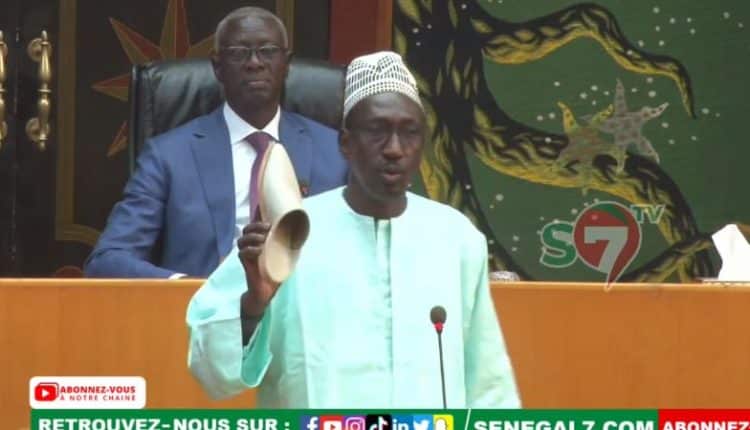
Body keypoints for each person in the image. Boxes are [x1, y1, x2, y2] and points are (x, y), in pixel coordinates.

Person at [186, 52, 520, 408]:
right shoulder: (289, 231)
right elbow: (212, 372)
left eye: (409, 133)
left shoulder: (457, 238)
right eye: (377, 131)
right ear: (346, 143)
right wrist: (254, 305)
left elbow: (489, 386)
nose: (394, 149)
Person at [84, 7, 347, 278]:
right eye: (238, 53)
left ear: (286, 64)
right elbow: (108, 260)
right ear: (217, 67)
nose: (254, 63)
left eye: (268, 51)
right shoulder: (168, 156)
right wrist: (190, 289)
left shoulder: (335, 151)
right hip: (203, 300)